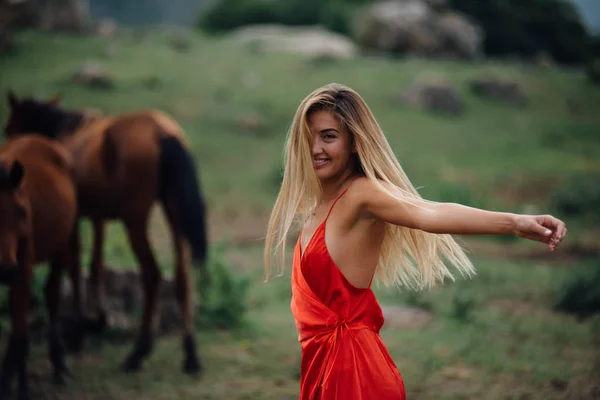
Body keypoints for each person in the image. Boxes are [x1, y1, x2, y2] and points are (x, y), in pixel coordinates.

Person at [263, 83, 567, 400]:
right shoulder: (316, 204)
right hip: (321, 369)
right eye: (308, 137)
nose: (315, 148)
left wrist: (513, 223)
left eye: (328, 136)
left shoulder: (362, 194)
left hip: (353, 372)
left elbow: (430, 213)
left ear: (354, 142)